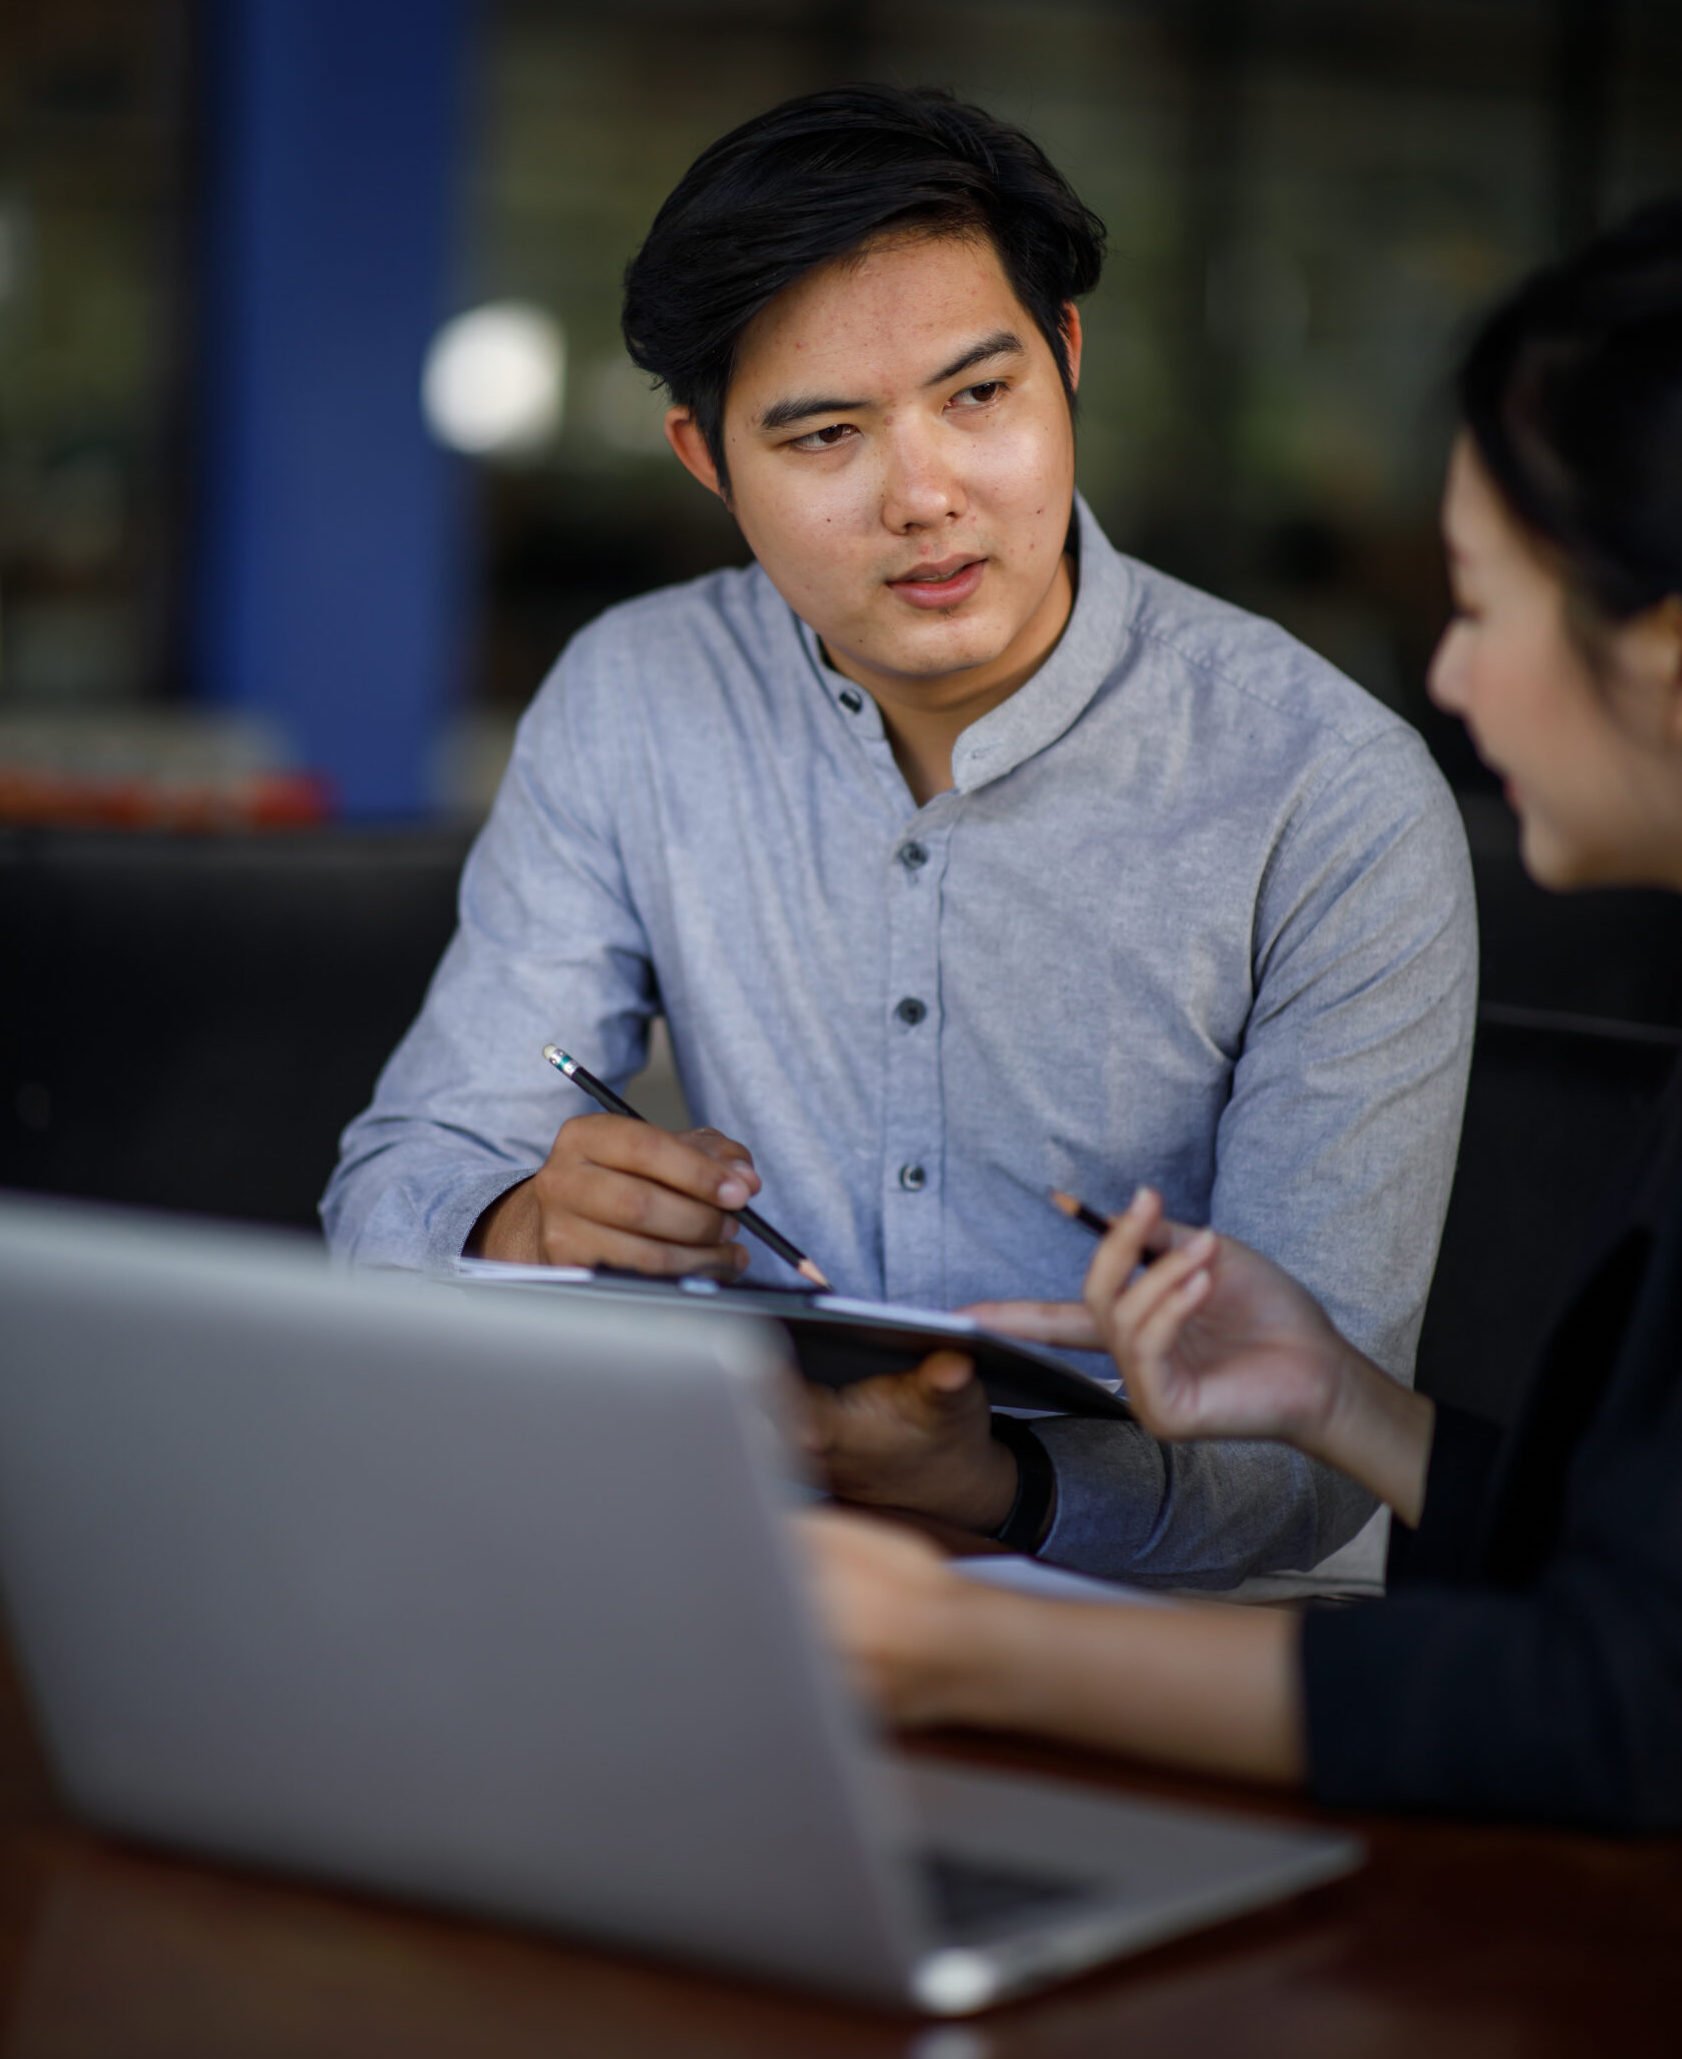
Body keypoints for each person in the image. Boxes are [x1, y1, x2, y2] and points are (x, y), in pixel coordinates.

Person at [322, 85, 1476, 1591]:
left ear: (1064, 362)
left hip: (1170, 1623)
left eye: (977, 397)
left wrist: (1001, 1486)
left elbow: (1317, 1438)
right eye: (821, 436)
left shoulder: (1323, 792)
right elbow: (394, 1185)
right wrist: (521, 1219)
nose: (922, 498)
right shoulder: (636, 695)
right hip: (740, 1560)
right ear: (703, 458)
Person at [803, 201, 1682, 1831]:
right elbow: (1642, 1583)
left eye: (1478, 607)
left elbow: (1624, 1709)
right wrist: (1348, 1409)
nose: (1449, 681)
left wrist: (957, 1649)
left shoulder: (1322, 787)